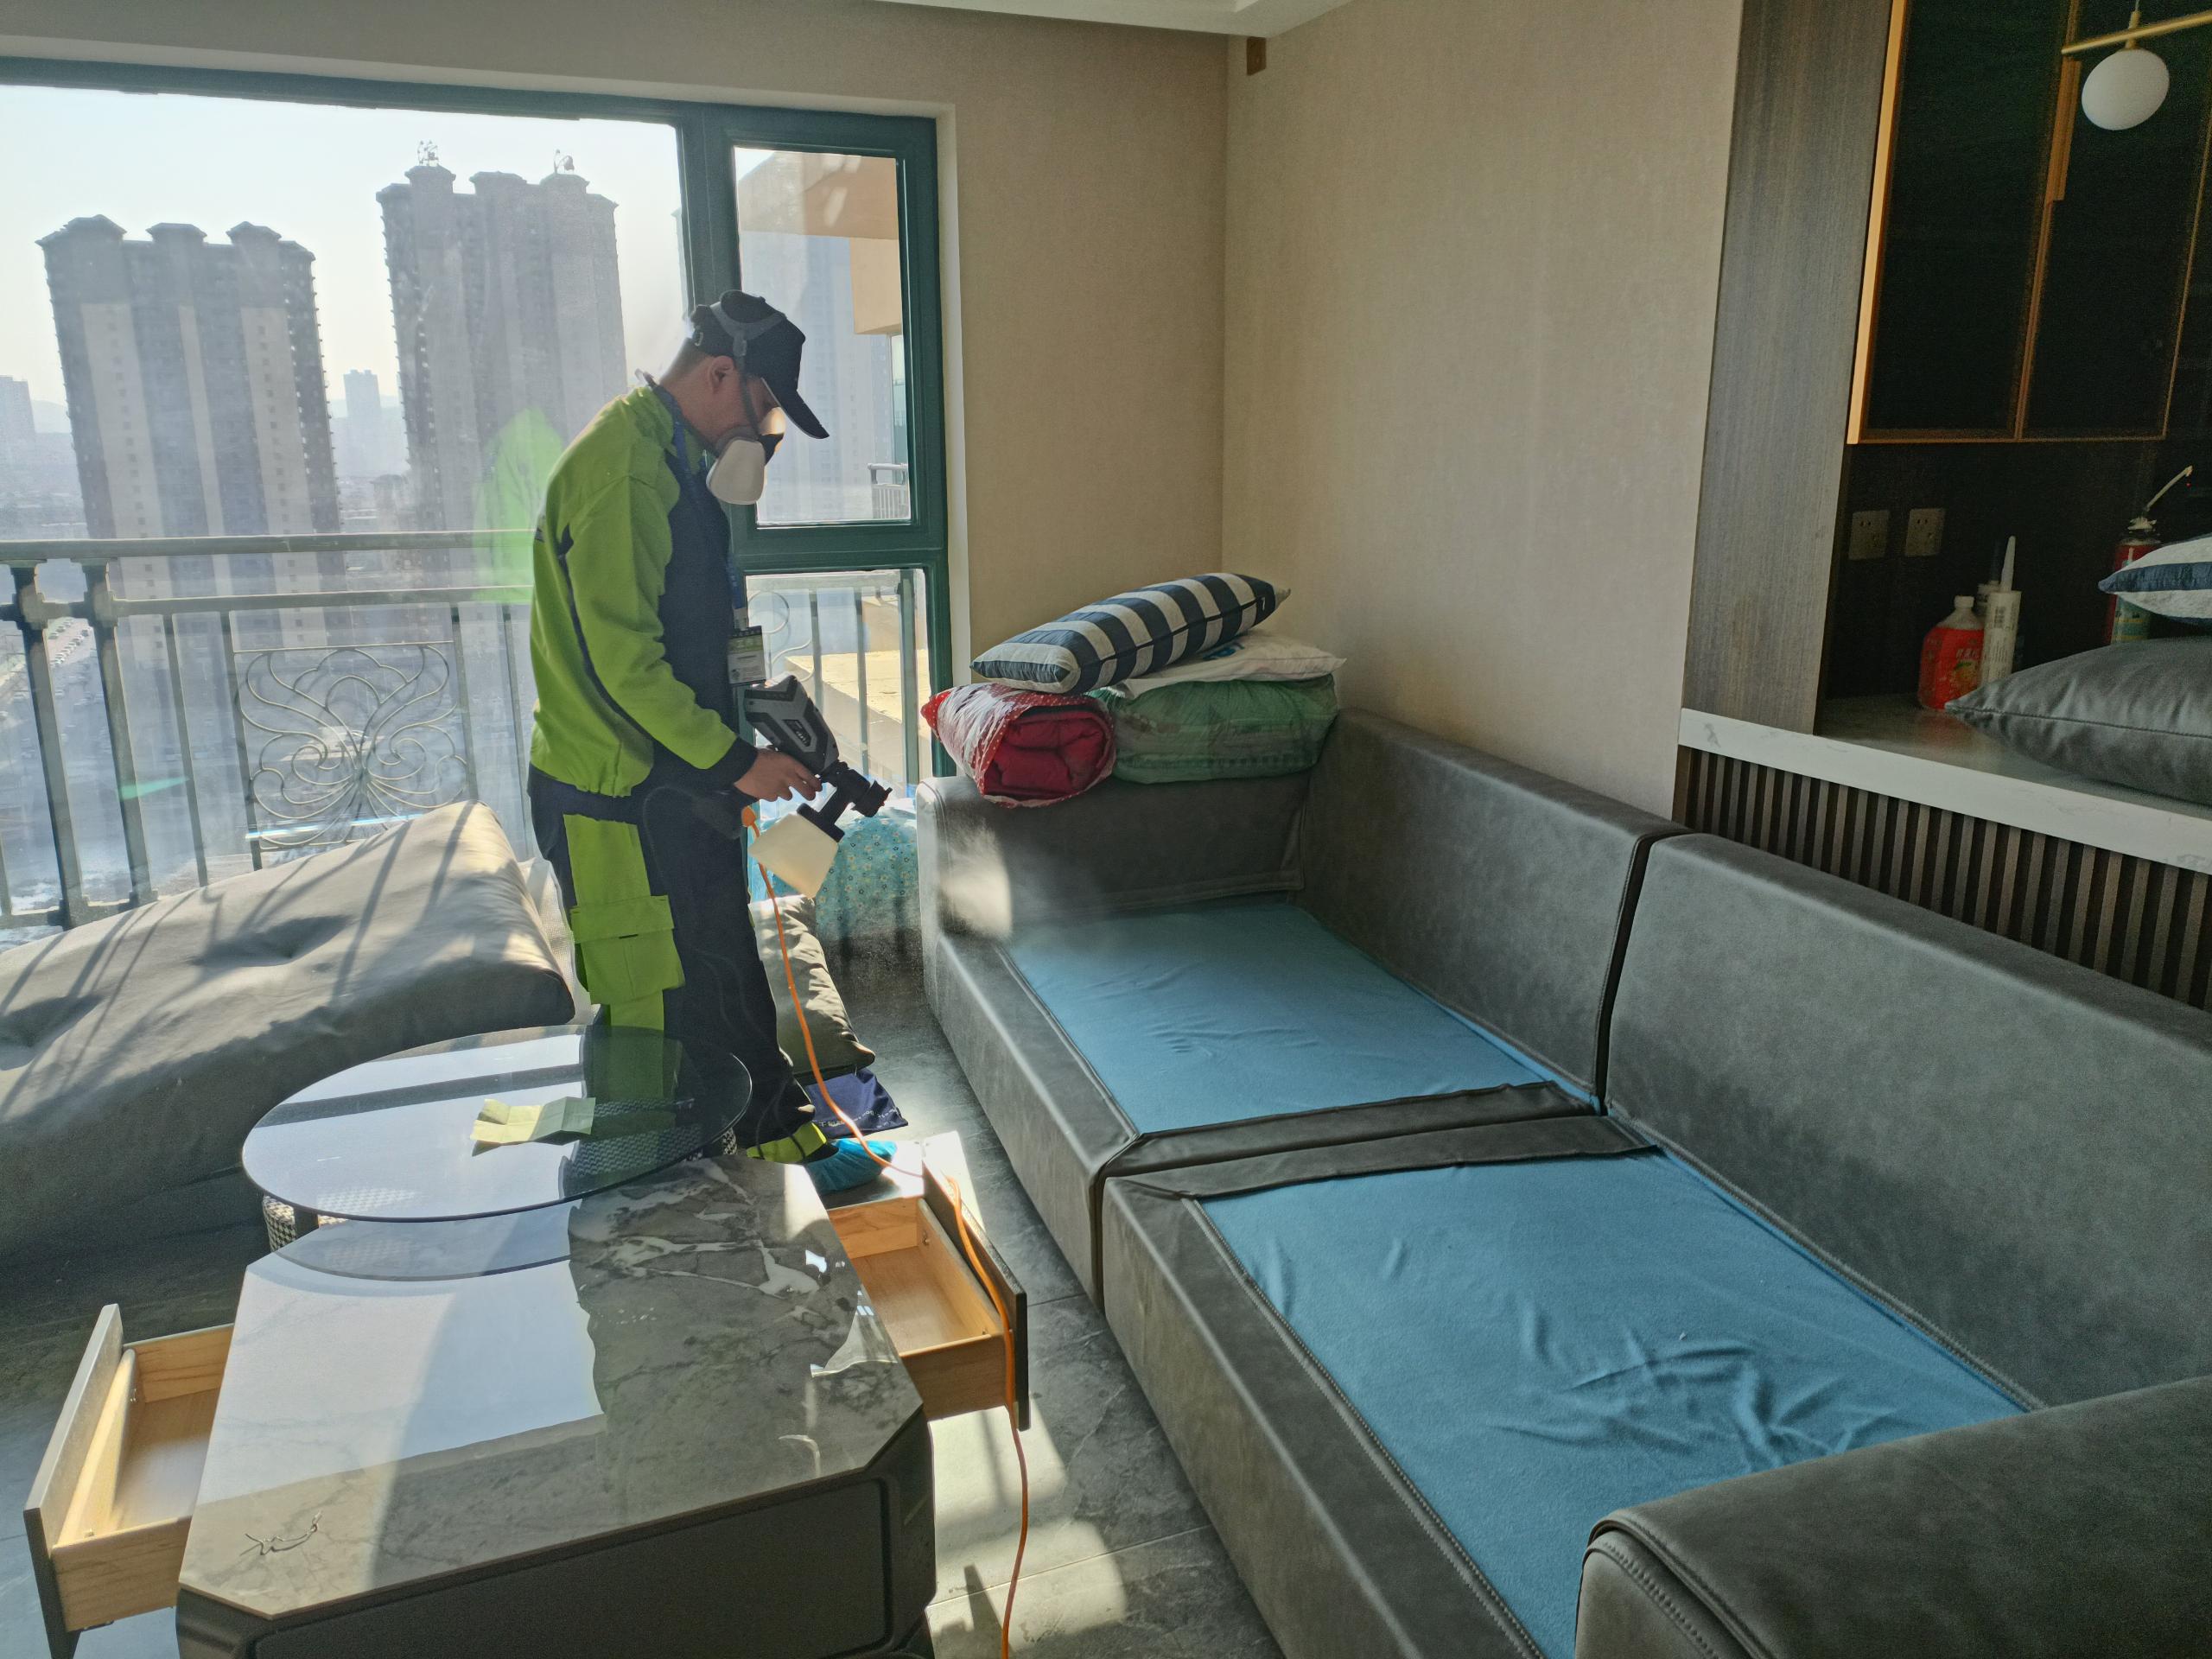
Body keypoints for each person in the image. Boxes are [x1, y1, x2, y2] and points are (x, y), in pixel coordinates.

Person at [525, 290, 892, 1192]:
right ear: (721, 373)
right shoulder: (624, 472)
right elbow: (624, 664)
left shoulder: (671, 460)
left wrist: (754, 721)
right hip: (617, 796)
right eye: (763, 408)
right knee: (654, 996)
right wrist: (737, 763)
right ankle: (641, 1179)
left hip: (673, 778)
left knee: (720, 966)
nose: (764, 434)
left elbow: (684, 635)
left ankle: (767, 1141)